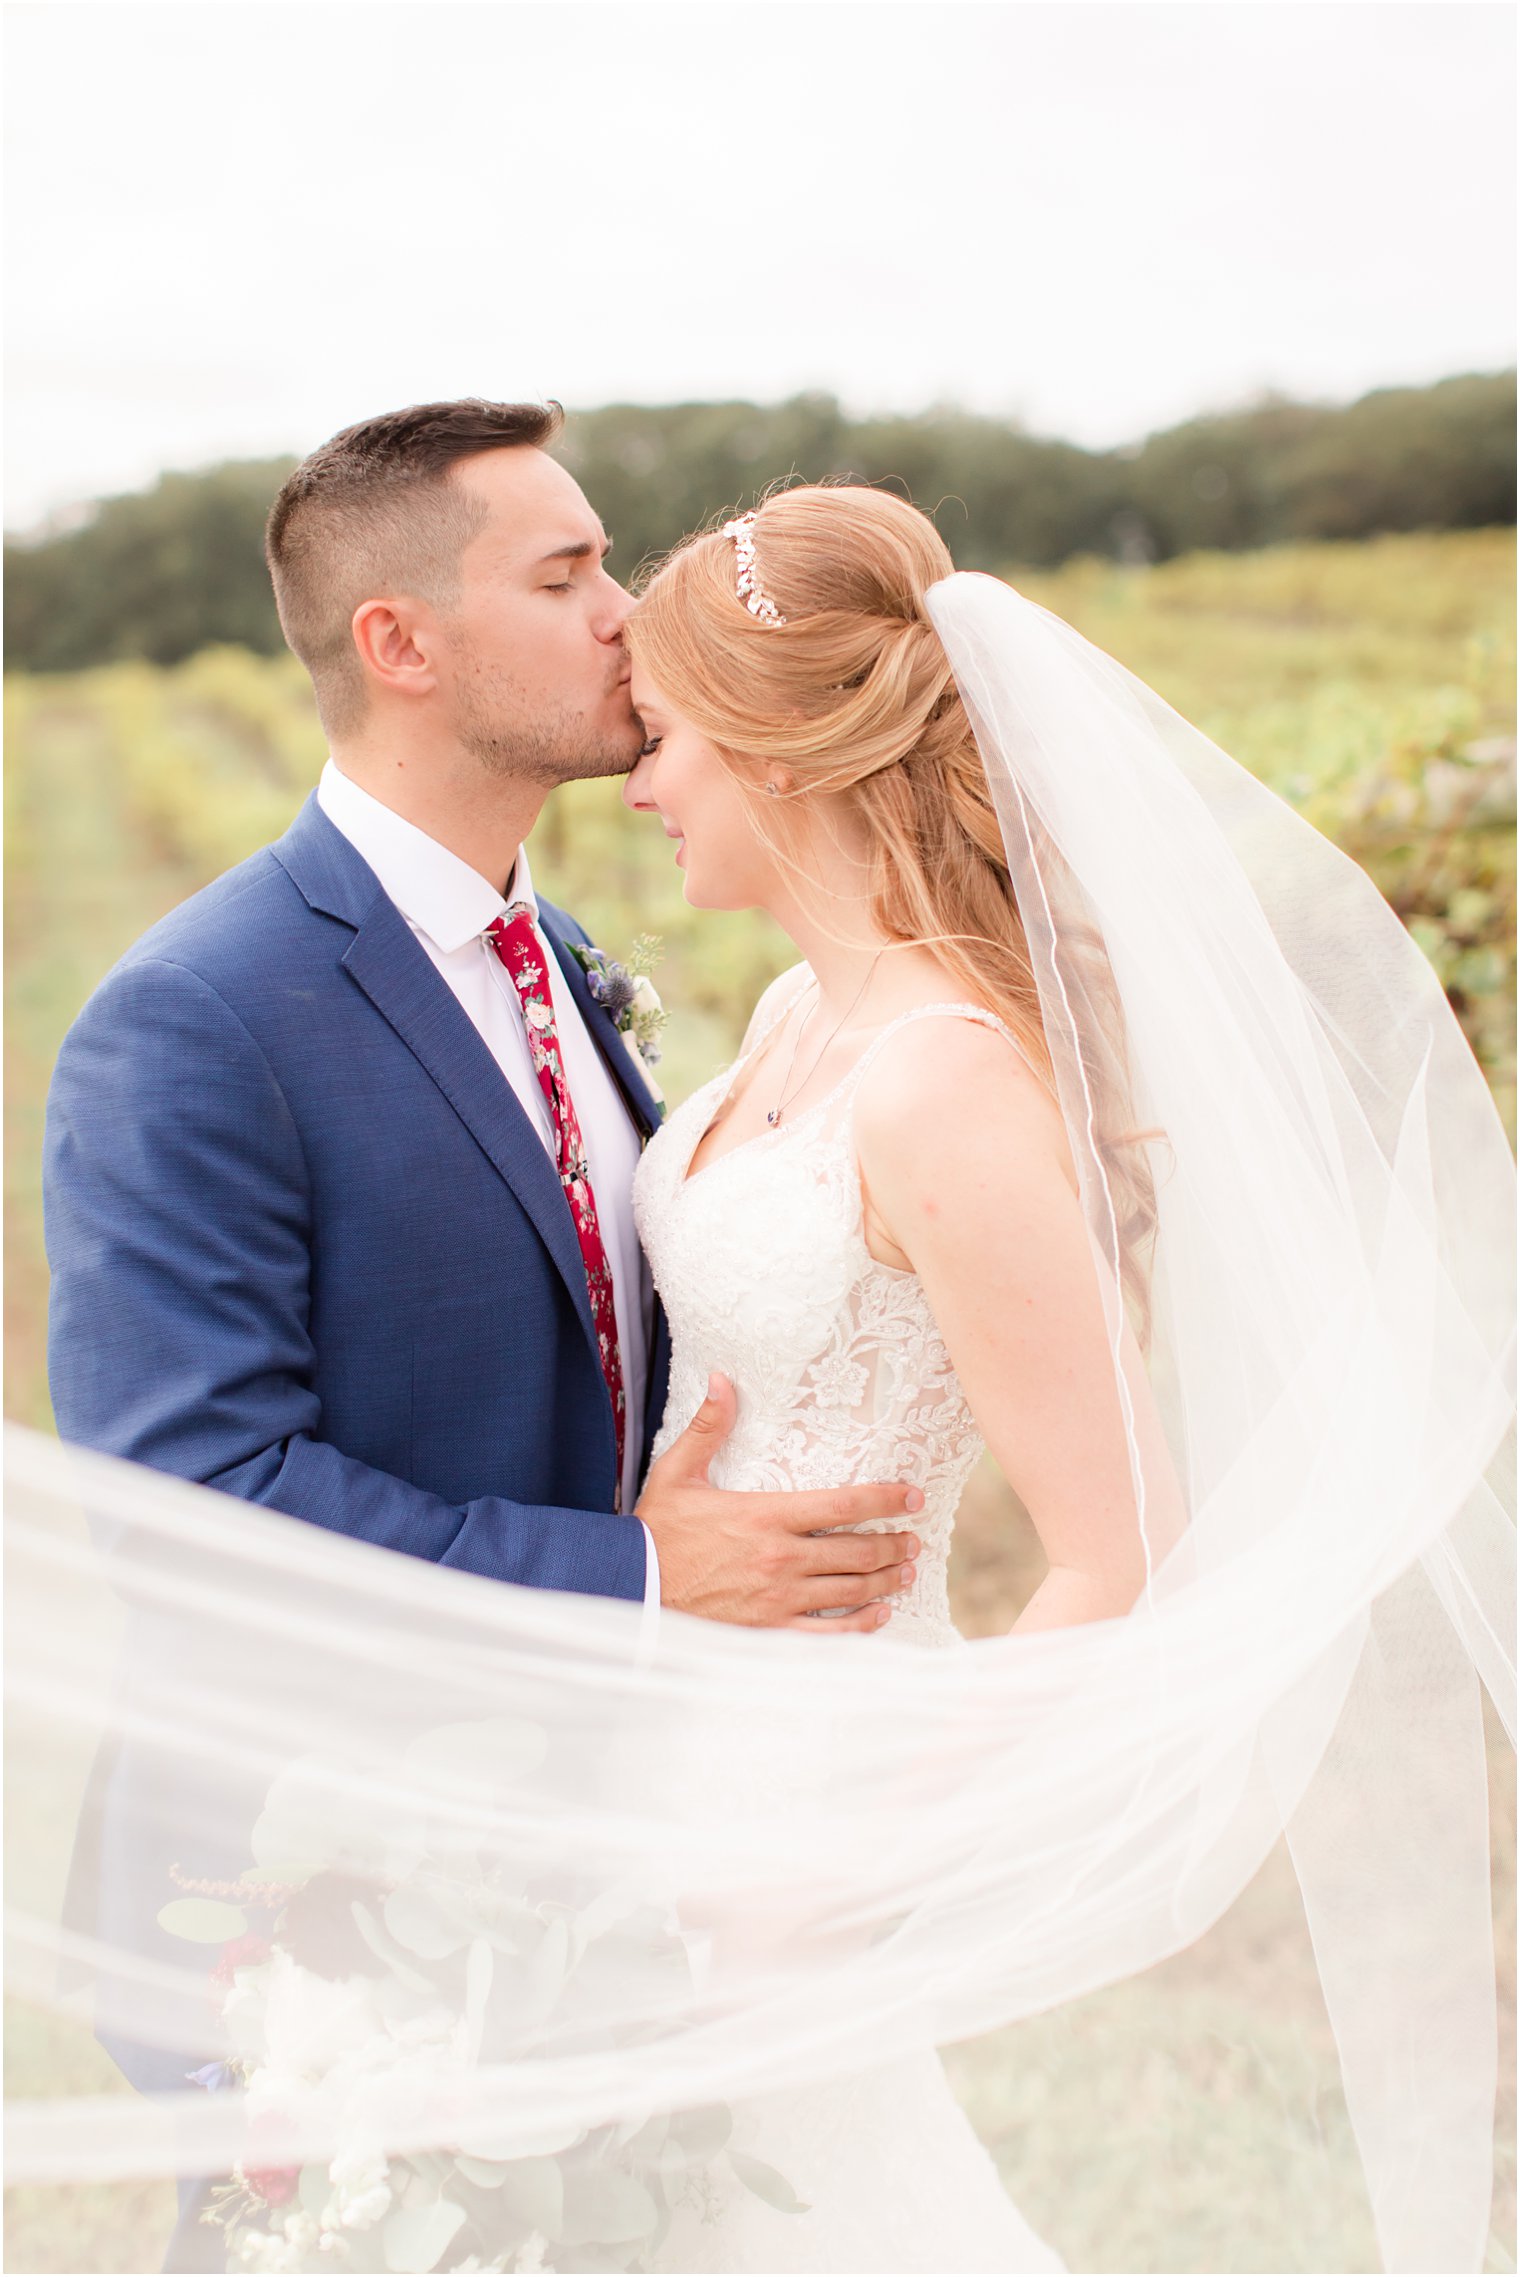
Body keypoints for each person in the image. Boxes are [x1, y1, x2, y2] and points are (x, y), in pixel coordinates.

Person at [40, 404, 924, 2273]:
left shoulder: (564, 953)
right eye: (568, 571)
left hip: (613, 1866)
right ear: (402, 645)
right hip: (335, 1906)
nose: (629, 610)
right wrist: (634, 1570)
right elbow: (192, 1502)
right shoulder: (193, 1016)